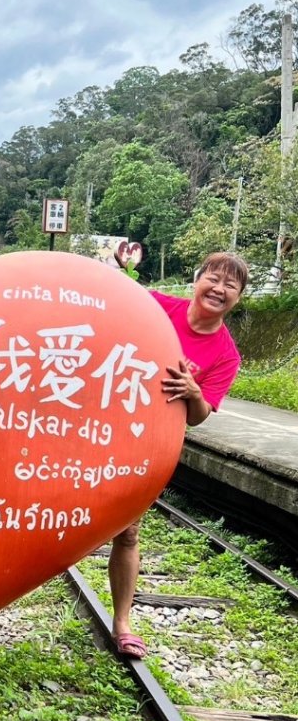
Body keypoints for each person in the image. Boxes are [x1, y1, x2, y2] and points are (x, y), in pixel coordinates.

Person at [110, 250, 249, 659]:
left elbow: (199, 419)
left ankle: (122, 623)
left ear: (238, 298)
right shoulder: (154, 305)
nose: (219, 289)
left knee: (129, 531)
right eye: (214, 278)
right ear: (197, 279)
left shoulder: (226, 354)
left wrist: (194, 393)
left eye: (231, 286)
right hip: (100, 424)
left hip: (146, 443)